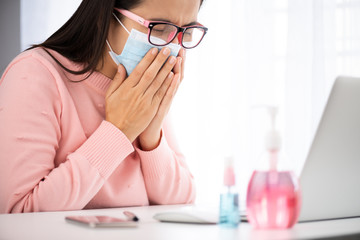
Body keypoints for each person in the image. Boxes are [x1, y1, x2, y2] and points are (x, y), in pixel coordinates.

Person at [0, 0, 207, 213]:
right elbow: (19, 212)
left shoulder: (143, 87)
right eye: (161, 29)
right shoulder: (34, 74)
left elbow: (183, 200)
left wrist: (151, 135)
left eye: (187, 33)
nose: (173, 47)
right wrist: (119, 130)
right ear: (104, 18)